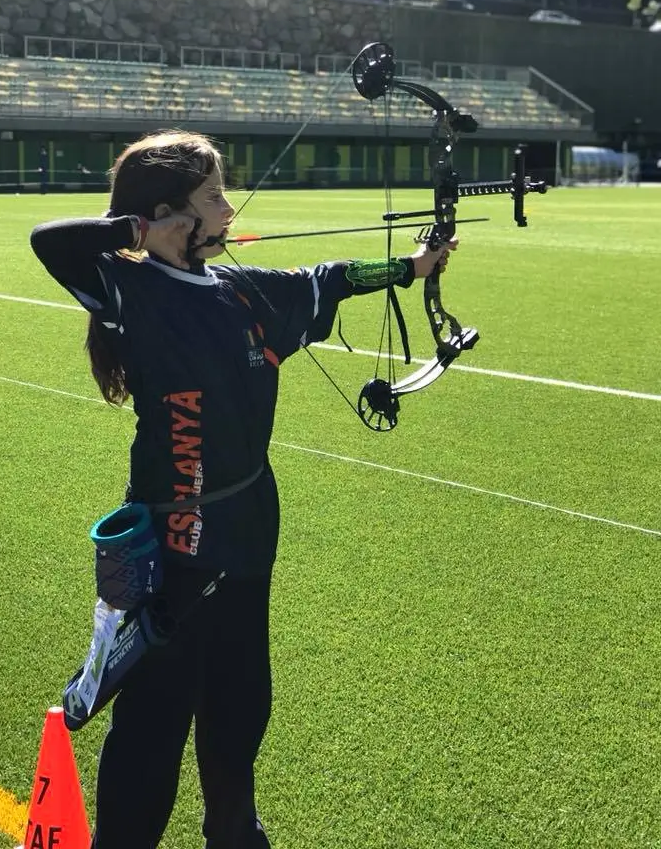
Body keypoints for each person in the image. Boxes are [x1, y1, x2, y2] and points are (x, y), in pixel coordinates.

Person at [29, 129, 456, 849]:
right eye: (214, 197)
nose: (229, 209)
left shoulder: (246, 291)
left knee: (239, 708)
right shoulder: (129, 289)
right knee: (154, 723)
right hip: (176, 545)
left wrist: (413, 266)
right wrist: (141, 231)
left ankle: (233, 831)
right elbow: (51, 241)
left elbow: (331, 277)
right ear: (171, 213)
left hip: (250, 534)